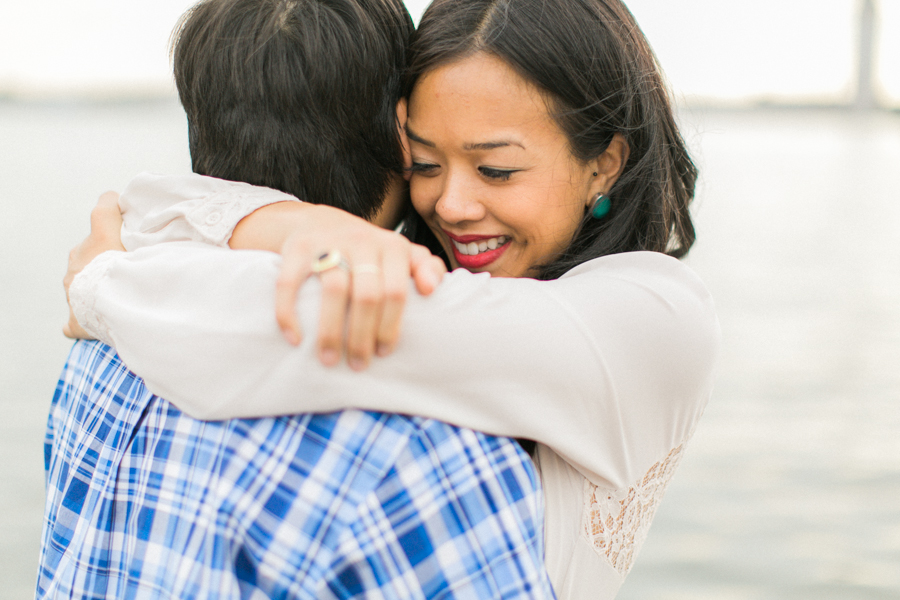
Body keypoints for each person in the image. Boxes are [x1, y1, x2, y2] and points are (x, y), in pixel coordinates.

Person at [66, 0, 721, 597]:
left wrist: (100, 278)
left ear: (603, 165)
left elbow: (295, 322)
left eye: (496, 168)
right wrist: (284, 226)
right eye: (426, 165)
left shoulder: (653, 318)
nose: (452, 206)